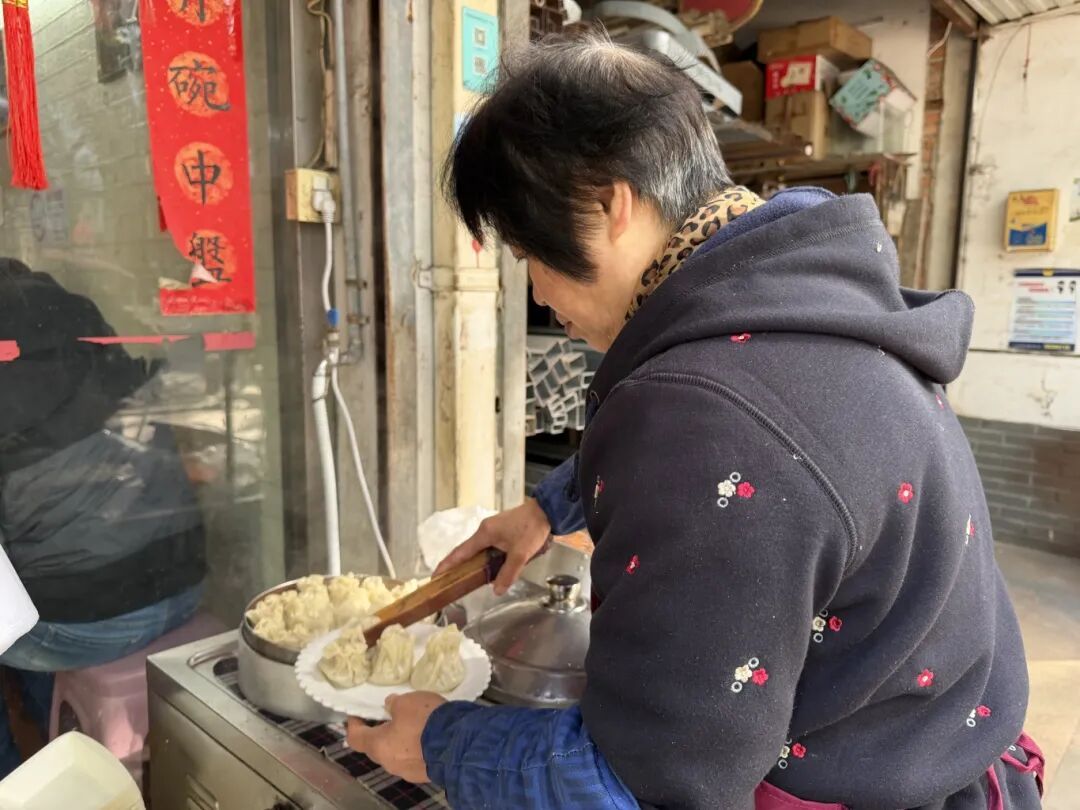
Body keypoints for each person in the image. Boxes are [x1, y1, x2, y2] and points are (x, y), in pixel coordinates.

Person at [346, 30, 1044, 810]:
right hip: (954, 751)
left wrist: (438, 743)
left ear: (607, 204)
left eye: (527, 253)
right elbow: (760, 450)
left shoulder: (699, 415)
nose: (538, 292)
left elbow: (650, 776)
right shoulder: (809, 298)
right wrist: (544, 509)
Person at [0, 258, 206, 778]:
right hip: (185, 586)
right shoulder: (95, 342)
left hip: (82, 627)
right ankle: (61, 738)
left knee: (26, 606)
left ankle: (21, 776)